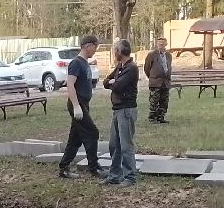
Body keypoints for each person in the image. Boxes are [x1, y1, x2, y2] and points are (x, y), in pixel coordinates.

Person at [57, 35, 101, 179]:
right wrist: (76, 106)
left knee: (75, 138)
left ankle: (64, 167)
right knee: (92, 133)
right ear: (87, 46)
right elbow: (70, 84)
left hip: (84, 104)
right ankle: (94, 168)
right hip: (78, 104)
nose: (95, 50)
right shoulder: (76, 63)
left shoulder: (85, 62)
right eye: (95, 47)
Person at [102, 40, 139, 185]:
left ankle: (130, 176)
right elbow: (106, 81)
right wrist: (110, 82)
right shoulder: (120, 66)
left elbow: (117, 86)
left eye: (114, 50)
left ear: (119, 51)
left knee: (125, 145)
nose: (113, 53)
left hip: (126, 110)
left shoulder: (131, 68)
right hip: (117, 110)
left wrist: (112, 83)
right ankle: (115, 175)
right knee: (114, 144)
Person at [144, 37, 172, 123]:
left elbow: (168, 66)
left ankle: (161, 117)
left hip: (165, 82)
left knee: (164, 101)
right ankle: (152, 118)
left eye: (163, 44)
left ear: (166, 44)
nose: (161, 46)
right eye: (159, 44)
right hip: (155, 82)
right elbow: (146, 68)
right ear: (157, 45)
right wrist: (152, 77)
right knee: (154, 101)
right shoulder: (151, 55)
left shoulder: (168, 55)